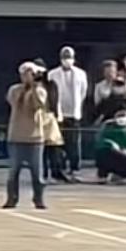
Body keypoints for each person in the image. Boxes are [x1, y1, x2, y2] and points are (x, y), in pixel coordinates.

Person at [3, 62, 48, 210]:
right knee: (13, 171)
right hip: (16, 135)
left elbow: (38, 105)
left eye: (30, 73)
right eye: (24, 74)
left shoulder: (41, 91)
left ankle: (38, 198)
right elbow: (14, 102)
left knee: (37, 172)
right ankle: (12, 198)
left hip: (34, 137)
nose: (26, 77)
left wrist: (34, 88)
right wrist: (25, 88)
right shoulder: (14, 90)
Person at [48, 46, 88, 179]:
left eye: (69, 57)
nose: (67, 60)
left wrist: (77, 108)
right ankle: (59, 168)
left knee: (74, 142)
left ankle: (75, 167)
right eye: (64, 57)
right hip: (58, 114)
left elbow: (83, 92)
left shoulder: (81, 74)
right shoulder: (52, 74)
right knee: (58, 143)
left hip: (74, 113)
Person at [96, 106, 126, 182]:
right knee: (104, 154)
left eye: (123, 116)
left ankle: (122, 174)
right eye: (119, 116)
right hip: (111, 153)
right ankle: (105, 173)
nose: (121, 119)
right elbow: (100, 142)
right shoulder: (107, 128)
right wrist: (111, 144)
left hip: (125, 157)